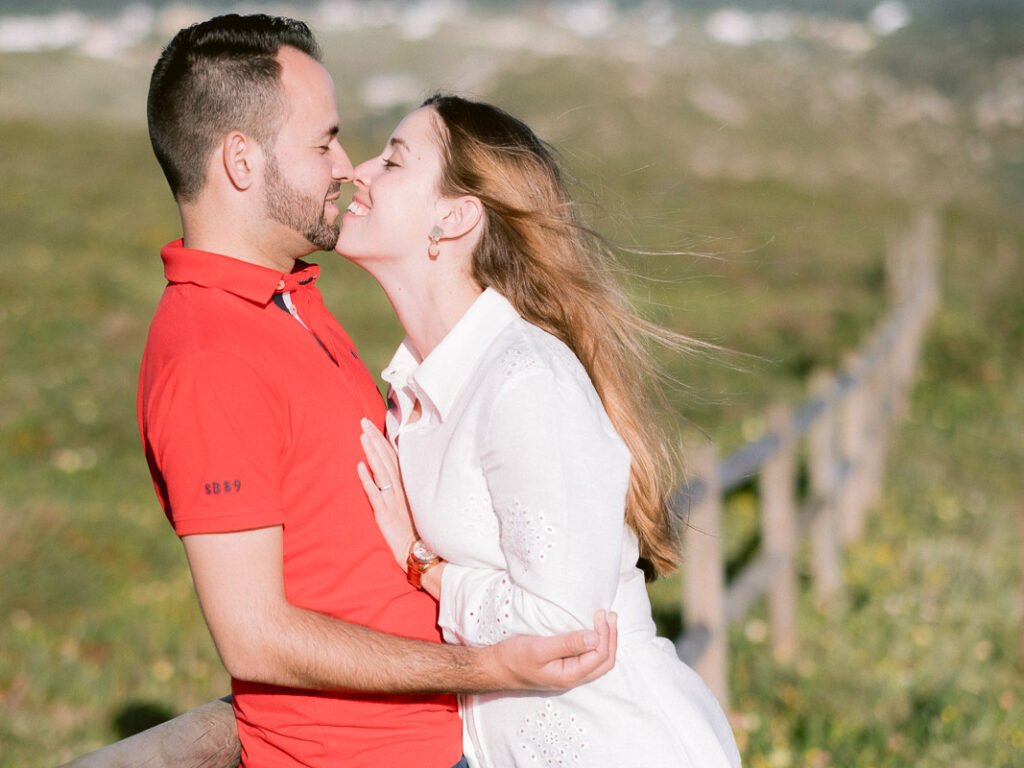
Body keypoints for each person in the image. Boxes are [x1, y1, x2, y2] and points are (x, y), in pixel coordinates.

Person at [137, 15, 617, 768]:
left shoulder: (292, 299)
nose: (343, 167)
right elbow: (255, 634)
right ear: (240, 161)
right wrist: (486, 668)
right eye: (322, 141)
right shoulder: (209, 355)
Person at [339, 94, 743, 767]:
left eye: (393, 159)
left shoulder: (524, 381)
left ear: (455, 216)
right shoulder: (418, 390)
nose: (358, 169)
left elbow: (564, 629)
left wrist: (425, 565)